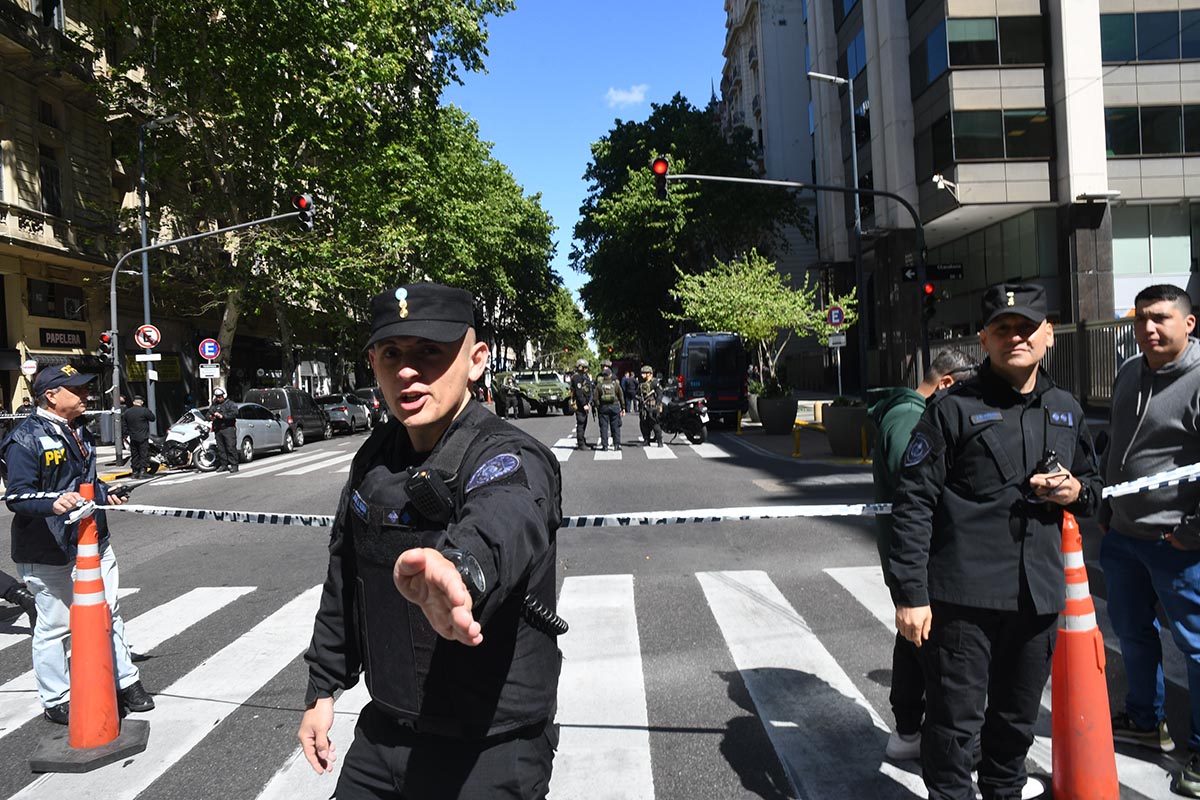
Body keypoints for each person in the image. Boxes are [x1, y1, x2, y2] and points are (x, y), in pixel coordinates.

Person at [298, 282, 563, 799]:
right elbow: (346, 576)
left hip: (487, 751)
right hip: (383, 737)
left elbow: (506, 515)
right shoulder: (373, 458)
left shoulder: (508, 455)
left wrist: (460, 570)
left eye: (429, 352)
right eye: (392, 353)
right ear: (372, 361)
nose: (407, 370)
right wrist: (322, 689)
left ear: (476, 359)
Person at [889, 283, 1102, 800]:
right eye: (1003, 329)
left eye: (1027, 327)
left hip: (1037, 599)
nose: (1016, 337)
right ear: (984, 340)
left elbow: (1095, 492)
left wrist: (1074, 491)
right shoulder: (951, 410)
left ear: (1048, 335)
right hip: (965, 601)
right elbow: (914, 502)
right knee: (953, 732)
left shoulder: (1067, 409)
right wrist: (911, 596)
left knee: (1013, 729)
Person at [0, 364, 154, 724]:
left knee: (109, 612)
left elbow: (88, 482)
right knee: (54, 625)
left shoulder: (80, 431)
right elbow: (17, 497)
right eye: (77, 390)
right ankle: (57, 698)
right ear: (51, 397)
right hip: (47, 548)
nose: (86, 395)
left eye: (85, 389)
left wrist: (106, 492)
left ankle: (126, 681)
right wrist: (51, 502)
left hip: (93, 540)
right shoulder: (24, 438)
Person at [1099, 284, 1200, 796]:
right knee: (1132, 633)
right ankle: (1144, 719)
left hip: (1177, 542)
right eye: (1140, 320)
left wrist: (1192, 531)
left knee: (1198, 647)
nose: (1148, 329)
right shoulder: (1128, 371)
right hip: (1123, 536)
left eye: (1160, 319)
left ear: (1189, 323)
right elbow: (1117, 441)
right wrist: (1104, 503)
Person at [868, 349, 977, 761]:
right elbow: (910, 482)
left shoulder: (910, 413)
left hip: (916, 555)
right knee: (933, 647)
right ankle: (930, 739)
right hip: (921, 555)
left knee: (916, 641)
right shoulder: (909, 419)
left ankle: (909, 731)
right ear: (947, 383)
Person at [122, 395, 156, 477]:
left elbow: (124, 424)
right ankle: (143, 471)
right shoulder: (144, 411)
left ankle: (135, 472)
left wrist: (125, 434)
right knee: (143, 454)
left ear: (134, 402)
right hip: (143, 436)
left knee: (135, 455)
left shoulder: (127, 412)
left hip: (133, 436)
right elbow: (152, 418)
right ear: (142, 402)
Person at [592, 367, 625, 451]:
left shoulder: (599, 385)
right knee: (615, 427)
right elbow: (621, 396)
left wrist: (598, 406)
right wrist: (623, 407)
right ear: (610, 375)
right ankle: (617, 444)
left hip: (603, 408)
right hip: (614, 407)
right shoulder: (615, 384)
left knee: (604, 427)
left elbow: (595, 398)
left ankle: (605, 445)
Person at [209, 387, 239, 473]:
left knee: (230, 447)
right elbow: (208, 413)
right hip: (218, 429)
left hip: (228, 428)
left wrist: (223, 416)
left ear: (224, 396)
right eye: (217, 396)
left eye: (220, 396)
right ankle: (223, 464)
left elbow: (234, 414)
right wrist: (210, 417)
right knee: (221, 448)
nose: (218, 398)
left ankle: (234, 465)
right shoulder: (214, 405)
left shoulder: (230, 404)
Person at [568, 358, 593, 450]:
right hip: (579, 405)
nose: (586, 370)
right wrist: (584, 404)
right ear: (580, 367)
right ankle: (581, 444)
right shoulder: (577, 377)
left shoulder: (582, 376)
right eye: (585, 368)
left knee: (584, 422)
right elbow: (579, 393)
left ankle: (582, 440)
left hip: (584, 403)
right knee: (581, 423)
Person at [637, 365, 664, 447]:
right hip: (644, 407)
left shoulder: (655, 382)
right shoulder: (642, 383)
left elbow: (660, 394)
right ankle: (646, 440)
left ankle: (659, 441)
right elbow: (636, 393)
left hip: (653, 407)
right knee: (644, 424)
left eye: (644, 373)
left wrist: (658, 404)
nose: (642, 375)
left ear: (649, 373)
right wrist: (639, 398)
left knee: (655, 424)